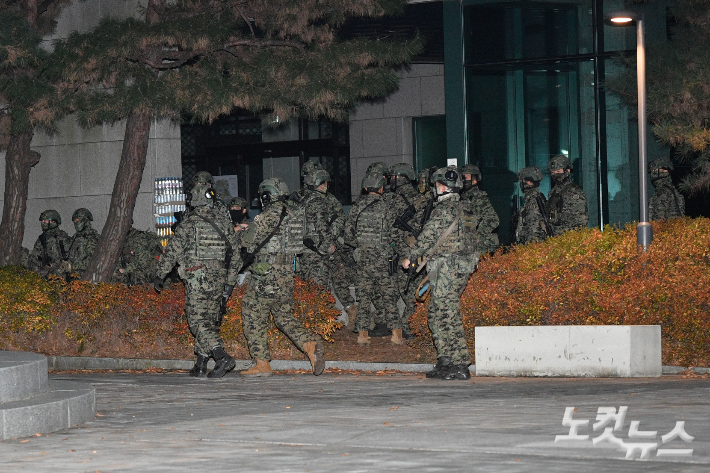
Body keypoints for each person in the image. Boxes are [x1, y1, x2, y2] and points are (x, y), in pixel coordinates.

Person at [153, 178, 241, 379]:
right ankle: (201, 364)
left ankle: (221, 355)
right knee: (209, 320)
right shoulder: (225, 223)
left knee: (197, 320)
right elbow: (235, 255)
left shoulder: (190, 223)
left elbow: (172, 251)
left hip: (197, 277)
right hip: (219, 277)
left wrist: (160, 274)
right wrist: (229, 282)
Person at [239, 178, 326, 377]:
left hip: (266, 273)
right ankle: (310, 345)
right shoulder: (295, 215)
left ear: (266, 196)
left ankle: (262, 363)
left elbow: (247, 244)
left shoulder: (266, 217)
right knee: (283, 315)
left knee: (252, 311)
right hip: (287, 272)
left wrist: (240, 232)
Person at [401, 166, 479, 380]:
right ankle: (445, 360)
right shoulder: (468, 208)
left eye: (436, 185)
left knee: (447, 312)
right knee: (437, 312)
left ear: (442, 187)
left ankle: (461, 363)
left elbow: (428, 236)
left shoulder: (443, 210)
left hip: (447, 266)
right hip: (462, 265)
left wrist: (410, 257)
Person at [344, 174, 403, 345]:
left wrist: (361, 246)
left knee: (363, 299)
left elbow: (348, 235)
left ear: (364, 188)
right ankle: (396, 335)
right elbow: (396, 234)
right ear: (381, 188)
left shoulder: (355, 208)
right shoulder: (387, 207)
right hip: (383, 260)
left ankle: (362, 335)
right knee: (389, 298)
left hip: (363, 260)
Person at [389, 162, 430, 340]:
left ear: (400, 178)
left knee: (405, 288)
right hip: (417, 250)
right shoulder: (422, 198)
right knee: (414, 287)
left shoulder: (393, 199)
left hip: (401, 252)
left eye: (393, 177)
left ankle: (410, 325)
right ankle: (413, 324)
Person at [295, 169, 335, 289]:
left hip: (304, 250)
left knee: (307, 290)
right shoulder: (317, 201)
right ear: (321, 184)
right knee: (319, 290)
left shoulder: (303, 201)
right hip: (316, 251)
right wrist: (327, 247)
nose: (327, 186)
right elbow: (322, 227)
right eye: (326, 183)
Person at [459, 164, 499, 253]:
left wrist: (477, 235)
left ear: (475, 179)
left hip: (480, 247)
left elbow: (493, 220)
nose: (464, 179)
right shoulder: (462, 196)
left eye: (466, 176)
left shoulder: (478, 197)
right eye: (462, 176)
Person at [546, 155, 588, 236]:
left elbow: (580, 223)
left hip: (567, 240)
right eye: (552, 172)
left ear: (567, 171)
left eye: (558, 171)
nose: (555, 175)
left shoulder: (574, 192)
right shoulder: (554, 192)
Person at [27, 210, 71, 278]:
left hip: (59, 274)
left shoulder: (62, 238)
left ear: (53, 222)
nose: (43, 223)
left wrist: (54, 267)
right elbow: (34, 257)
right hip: (44, 272)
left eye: (45, 221)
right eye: (42, 221)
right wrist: (37, 268)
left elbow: (68, 259)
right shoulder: (41, 239)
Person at [513, 166, 551, 245]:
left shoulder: (533, 200)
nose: (521, 183)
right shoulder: (534, 198)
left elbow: (533, 229)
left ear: (529, 182)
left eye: (523, 180)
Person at [62, 208, 100, 279]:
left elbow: (94, 261)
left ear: (85, 220)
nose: (76, 223)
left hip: (84, 277)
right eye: (74, 221)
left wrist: (74, 266)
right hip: (72, 276)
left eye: (78, 220)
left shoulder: (91, 238)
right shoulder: (75, 237)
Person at [648, 156, 685, 221]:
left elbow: (658, 220)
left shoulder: (663, 191)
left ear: (665, 170)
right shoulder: (671, 189)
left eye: (655, 170)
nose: (652, 174)